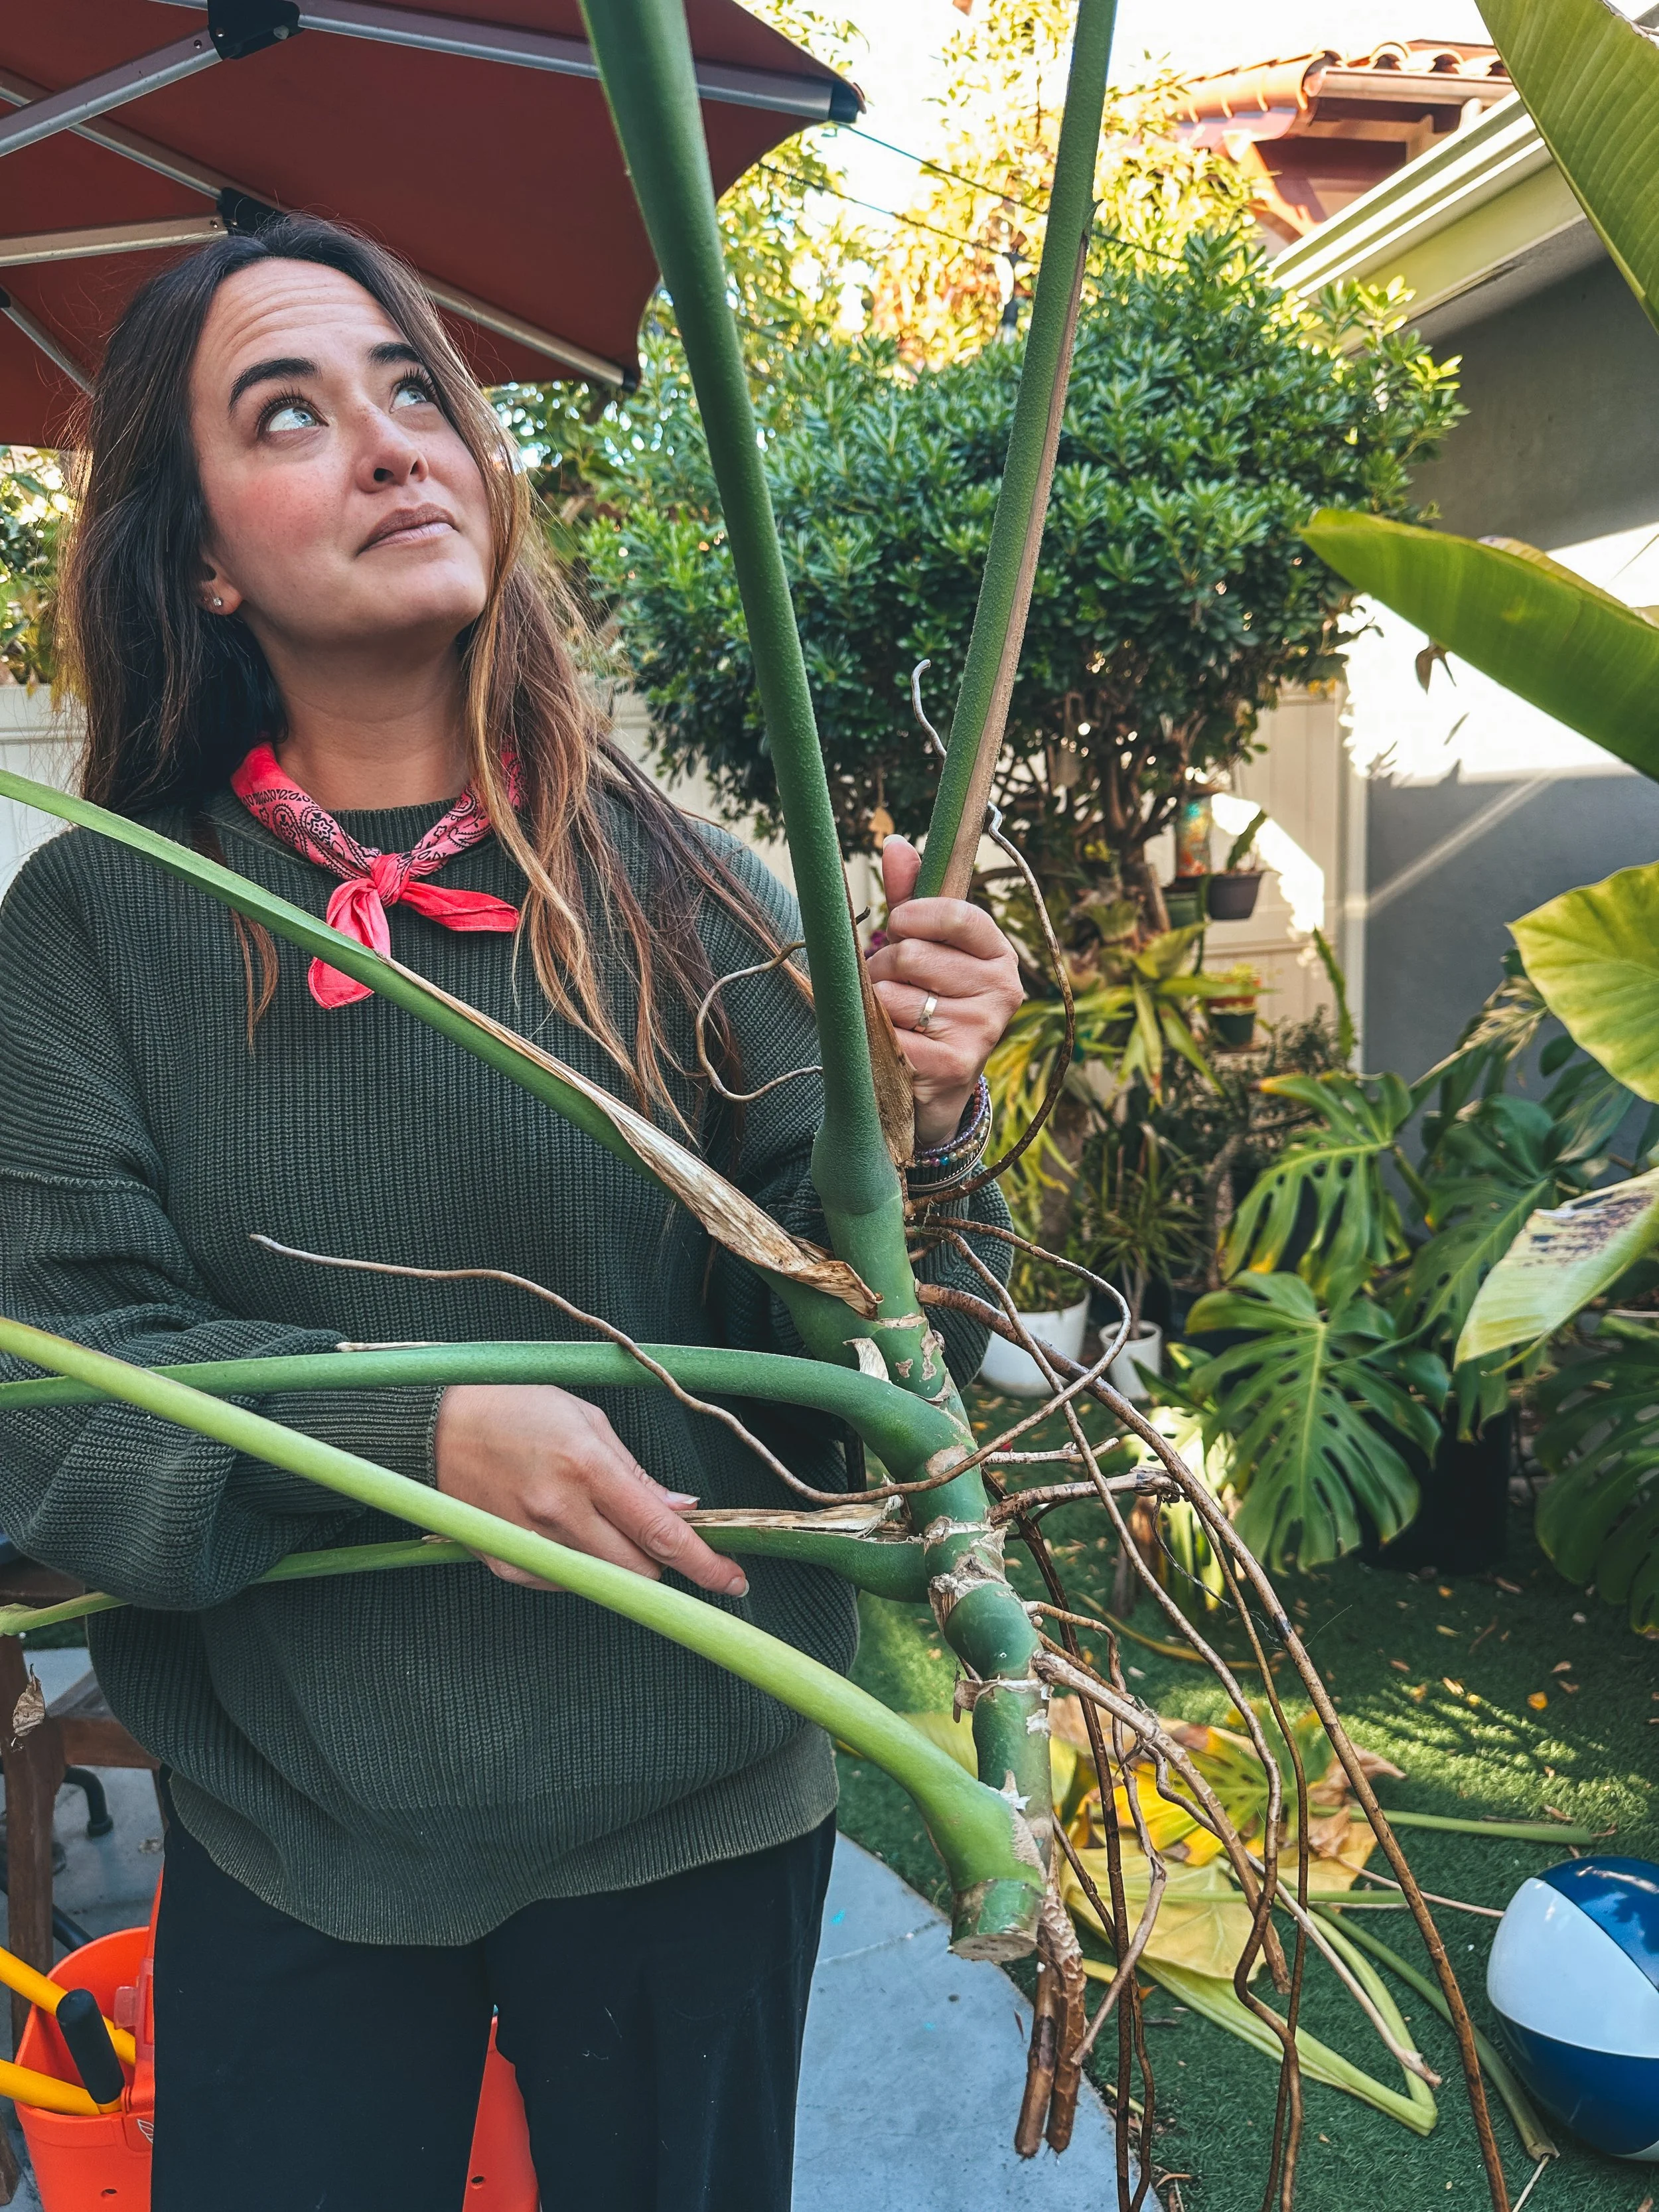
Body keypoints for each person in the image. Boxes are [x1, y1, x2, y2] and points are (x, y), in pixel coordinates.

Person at [0, 217, 1022, 2211]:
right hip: (298, 1822)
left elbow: (902, 1384)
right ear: (202, 557)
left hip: (695, 1812)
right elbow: (49, 1413)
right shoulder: (99, 924)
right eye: (287, 411)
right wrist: (422, 1437)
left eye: (414, 391)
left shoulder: (703, 892)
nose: (390, 444)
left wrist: (930, 1122)